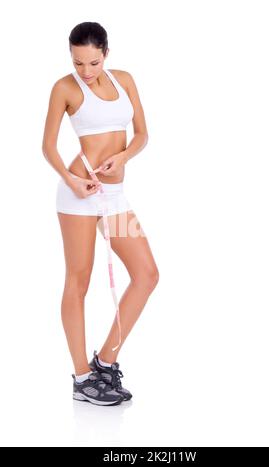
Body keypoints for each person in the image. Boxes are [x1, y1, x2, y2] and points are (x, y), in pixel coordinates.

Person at [42, 21, 159, 406]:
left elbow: (141, 134)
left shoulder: (124, 80)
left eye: (92, 63)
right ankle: (81, 377)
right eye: (78, 64)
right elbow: (48, 147)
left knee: (146, 274)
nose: (86, 72)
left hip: (114, 196)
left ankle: (105, 361)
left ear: (105, 53)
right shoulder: (64, 88)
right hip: (78, 194)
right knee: (79, 281)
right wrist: (72, 182)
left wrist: (123, 157)